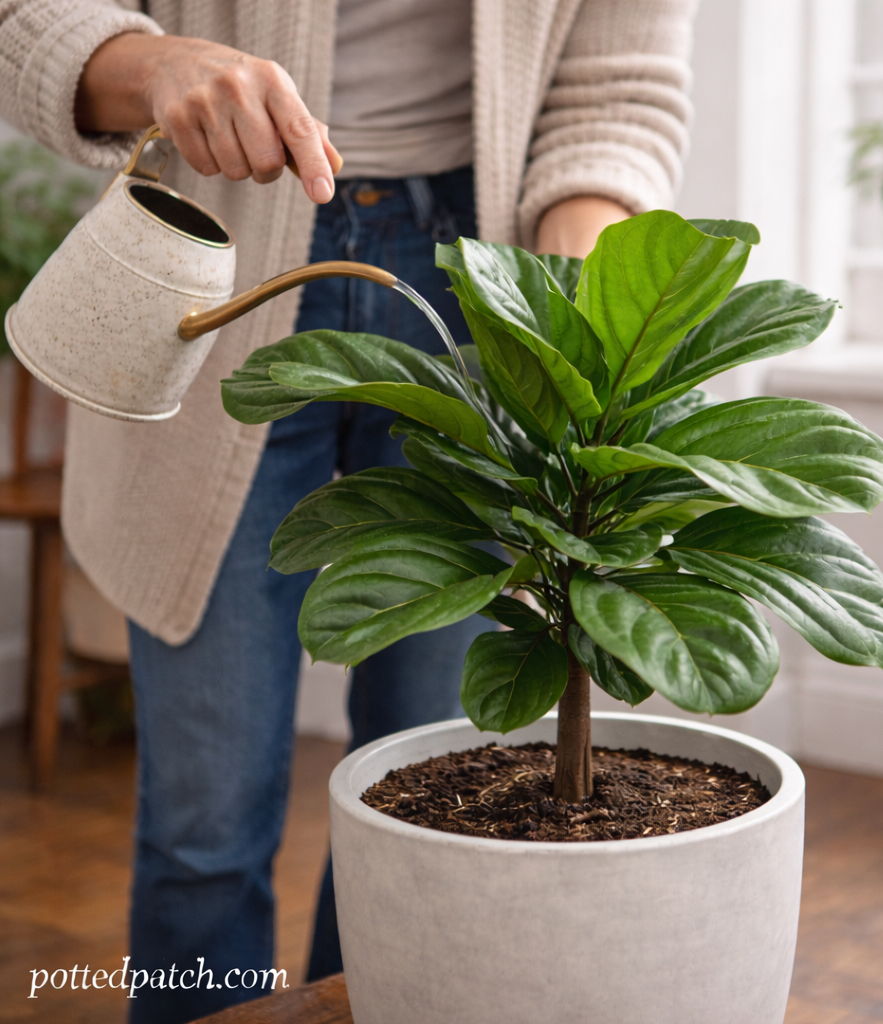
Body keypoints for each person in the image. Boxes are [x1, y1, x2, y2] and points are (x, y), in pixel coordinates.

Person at [0, 1, 698, 1019]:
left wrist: (581, 299)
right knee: (204, 826)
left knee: (425, 806)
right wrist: (156, 63)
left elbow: (615, 97)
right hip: (215, 250)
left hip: (479, 289)